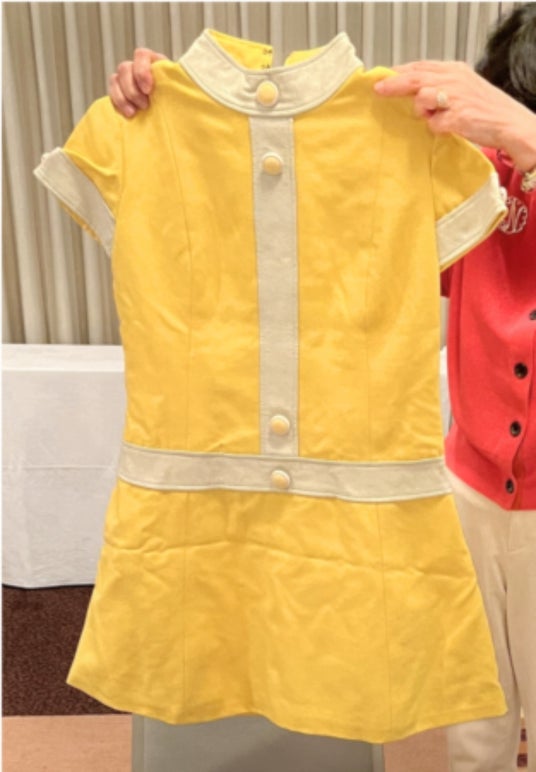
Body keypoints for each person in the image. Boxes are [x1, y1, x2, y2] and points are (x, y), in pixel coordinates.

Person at [107, 6, 536, 770]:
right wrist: (175, 118)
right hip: (470, 483)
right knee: (478, 727)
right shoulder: (469, 174)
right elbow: (343, 246)